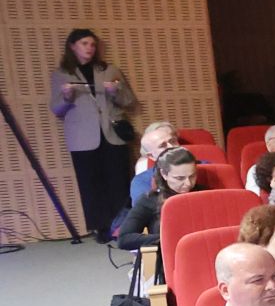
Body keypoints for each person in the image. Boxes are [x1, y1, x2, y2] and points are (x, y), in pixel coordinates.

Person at [51, 28, 136, 240]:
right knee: (90, 184)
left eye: (92, 44)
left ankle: (123, 226)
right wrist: (67, 97)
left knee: (119, 181)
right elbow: (56, 109)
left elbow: (129, 101)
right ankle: (101, 228)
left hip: (112, 133)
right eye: (84, 44)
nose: (89, 48)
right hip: (82, 138)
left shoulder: (109, 70)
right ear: (72, 46)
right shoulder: (62, 74)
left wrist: (114, 92)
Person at [115, 147, 200, 259]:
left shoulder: (204, 194)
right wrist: (165, 239)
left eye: (192, 176)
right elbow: (124, 239)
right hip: (172, 258)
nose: (188, 183)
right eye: (180, 178)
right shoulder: (150, 200)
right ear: (164, 174)